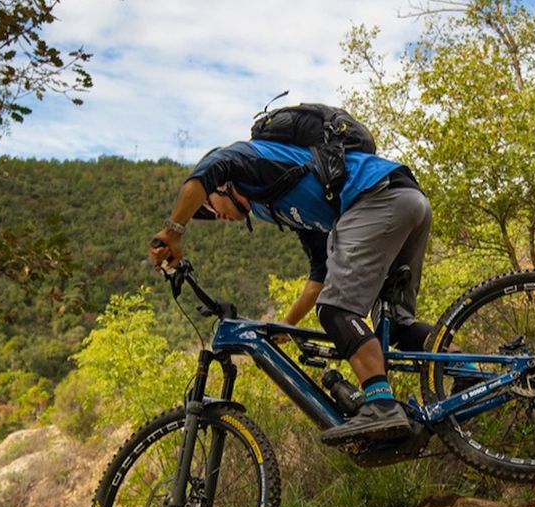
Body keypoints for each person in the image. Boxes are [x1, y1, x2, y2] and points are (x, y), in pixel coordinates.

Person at [148, 139, 433, 446]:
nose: (214, 214)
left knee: (336, 311)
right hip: (407, 198)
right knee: (397, 324)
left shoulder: (251, 161)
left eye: (208, 205)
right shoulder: (278, 205)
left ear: (222, 185)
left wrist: (173, 231)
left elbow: (212, 167)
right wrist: (288, 325)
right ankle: (465, 373)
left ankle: (380, 405)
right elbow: (319, 276)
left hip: (376, 197)